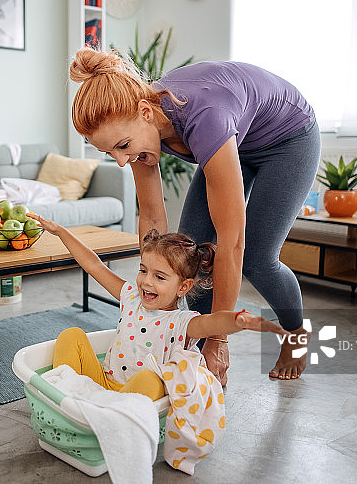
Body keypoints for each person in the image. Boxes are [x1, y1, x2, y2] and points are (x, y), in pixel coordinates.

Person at [69, 48, 321, 384]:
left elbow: (232, 243)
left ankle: (295, 336)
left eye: (123, 146)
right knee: (189, 256)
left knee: (258, 258)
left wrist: (220, 339)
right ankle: (199, 356)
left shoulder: (205, 118)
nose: (120, 160)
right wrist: (149, 286)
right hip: (235, 140)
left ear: (146, 112)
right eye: (110, 151)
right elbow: (153, 222)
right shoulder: (138, 127)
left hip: (288, 138)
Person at [30, 213, 288, 401]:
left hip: (137, 397)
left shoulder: (182, 322)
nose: (146, 282)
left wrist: (237, 321)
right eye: (143, 270)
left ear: (183, 287)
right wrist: (61, 232)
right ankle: (65, 397)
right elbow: (95, 265)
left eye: (159, 277)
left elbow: (213, 323)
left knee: (150, 380)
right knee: (71, 336)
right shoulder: (130, 296)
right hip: (101, 382)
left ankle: (114, 415)